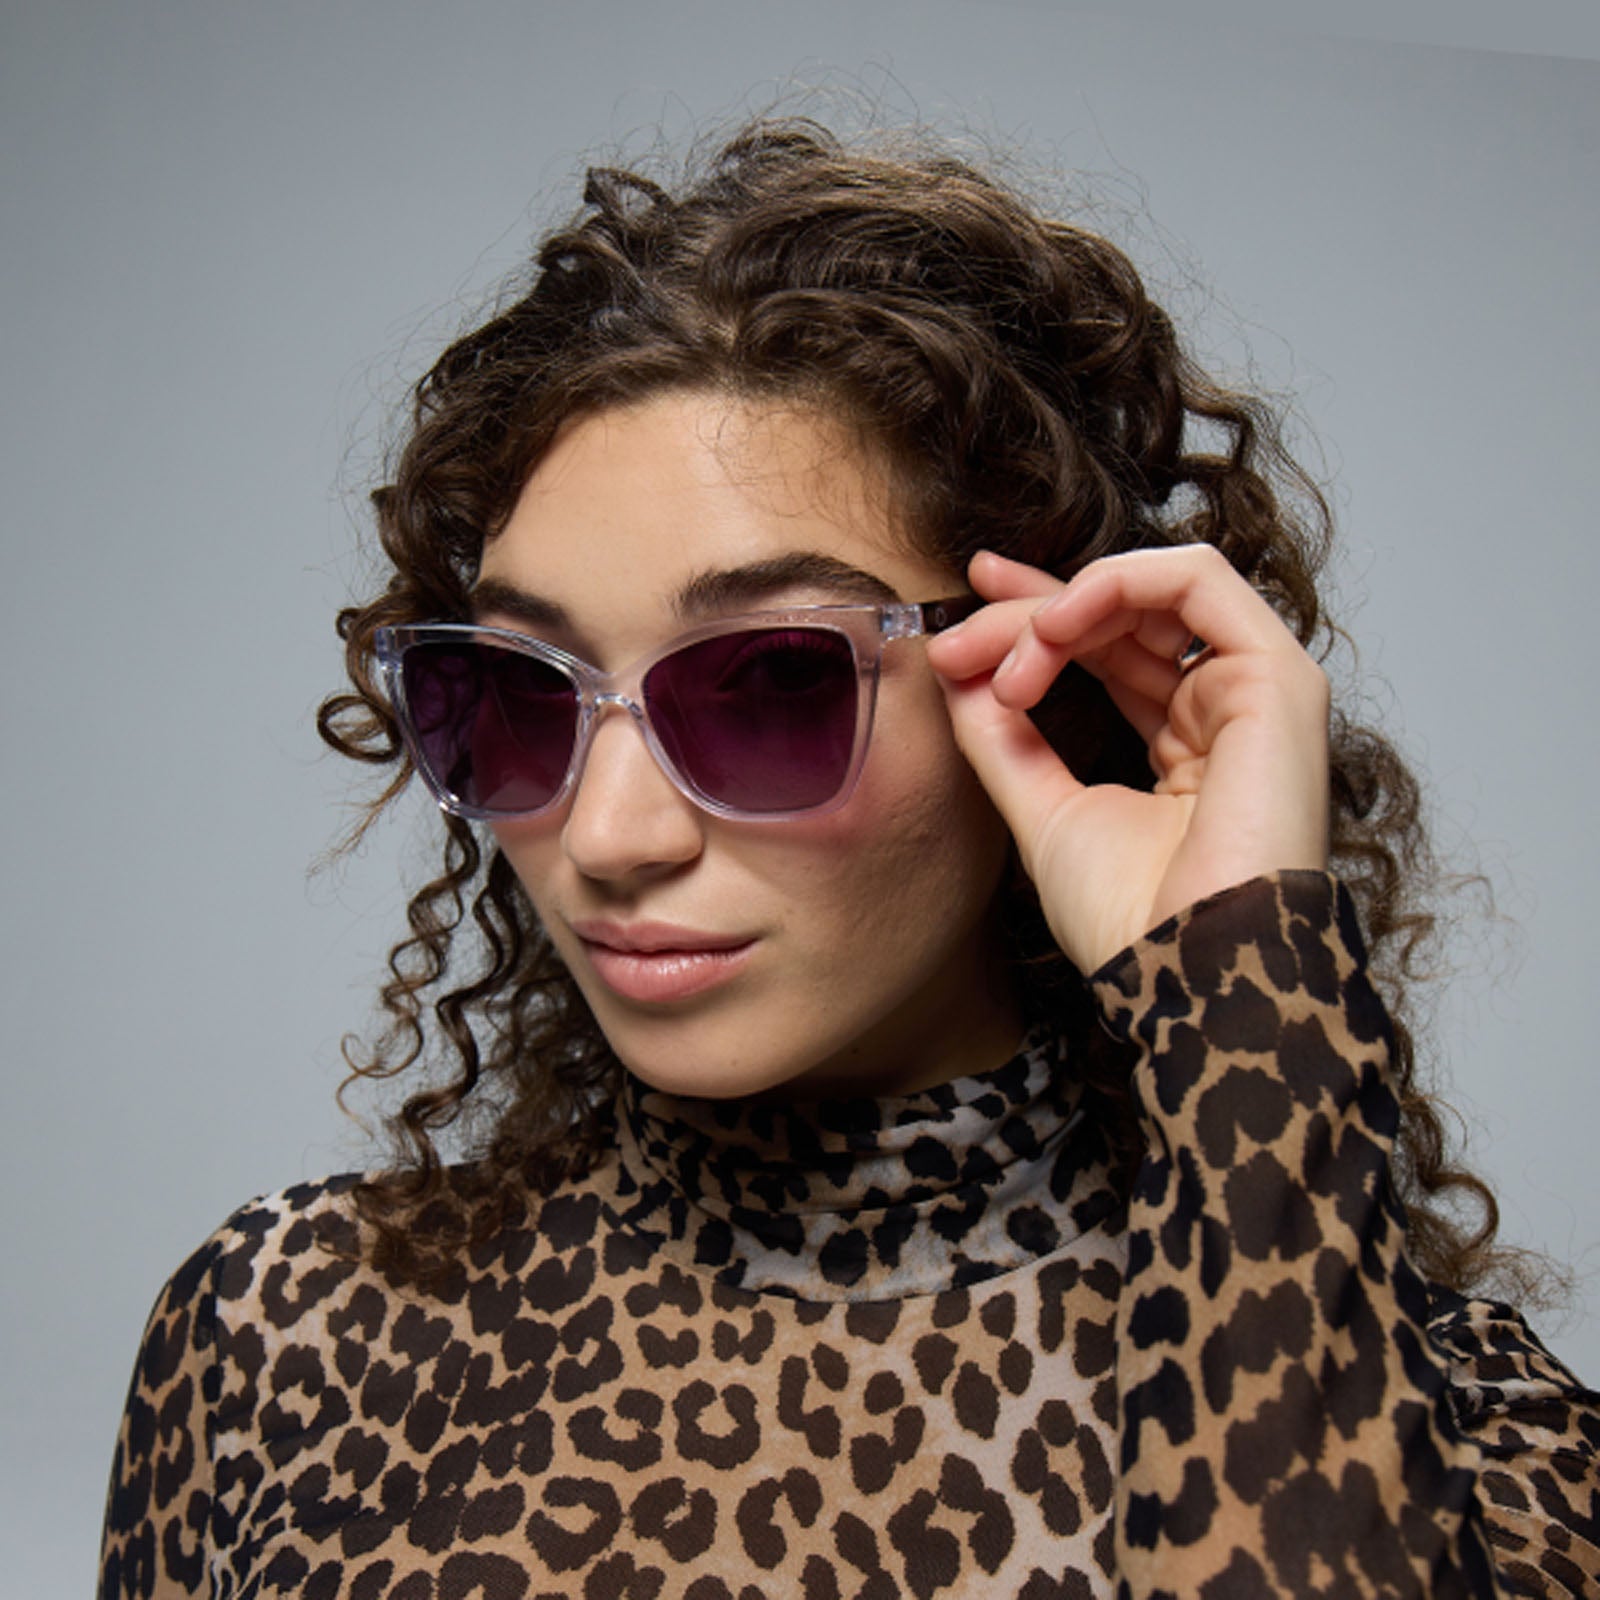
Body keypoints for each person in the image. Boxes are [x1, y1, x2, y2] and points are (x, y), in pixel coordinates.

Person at [100, 119, 1598, 1599]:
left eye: (771, 685)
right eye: (515, 692)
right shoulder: (290, 1336)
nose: (610, 837)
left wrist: (1242, 995)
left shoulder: (1472, 1447)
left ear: (1040, 680)